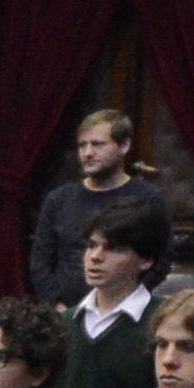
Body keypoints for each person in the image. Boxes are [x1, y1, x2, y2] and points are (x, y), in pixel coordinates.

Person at [51, 207, 173, 388]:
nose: (95, 256)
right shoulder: (61, 324)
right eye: (92, 245)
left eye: (114, 249)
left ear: (145, 260)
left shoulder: (164, 324)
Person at [28, 107, 156, 307]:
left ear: (124, 146)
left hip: (127, 314)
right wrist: (58, 307)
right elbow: (41, 263)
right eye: (82, 145)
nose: (87, 153)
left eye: (97, 144)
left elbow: (156, 263)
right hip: (66, 314)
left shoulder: (148, 198)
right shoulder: (58, 200)